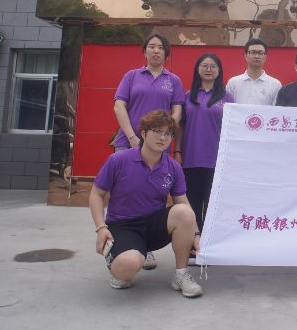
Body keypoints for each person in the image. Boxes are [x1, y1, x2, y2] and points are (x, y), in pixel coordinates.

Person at [89, 110, 203, 297]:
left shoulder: (173, 167)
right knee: (128, 266)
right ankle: (118, 260)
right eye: (157, 131)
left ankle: (181, 275)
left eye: (168, 134)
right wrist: (101, 228)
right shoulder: (119, 160)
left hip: (154, 224)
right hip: (124, 225)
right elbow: (96, 194)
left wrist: (196, 234)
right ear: (143, 133)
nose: (163, 138)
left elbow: (183, 201)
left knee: (184, 212)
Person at [112, 33, 185, 270]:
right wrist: (133, 138)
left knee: (154, 193)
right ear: (144, 51)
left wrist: (165, 134)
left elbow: (177, 111)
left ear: (166, 53)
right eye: (151, 47)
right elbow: (119, 106)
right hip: (129, 143)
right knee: (126, 193)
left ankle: (147, 245)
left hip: (158, 146)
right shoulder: (132, 76)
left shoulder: (173, 80)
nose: (156, 51)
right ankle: (121, 242)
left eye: (160, 47)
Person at [175, 53, 234, 255]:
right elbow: (180, 127)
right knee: (192, 204)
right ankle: (193, 247)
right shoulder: (187, 96)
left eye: (213, 66)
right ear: (197, 69)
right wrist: (177, 150)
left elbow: (232, 130)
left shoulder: (227, 98)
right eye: (204, 65)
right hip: (190, 158)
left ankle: (210, 247)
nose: (208, 69)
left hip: (216, 160)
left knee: (212, 206)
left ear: (219, 71)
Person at [226, 38, 282, 105]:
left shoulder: (275, 85)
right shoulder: (233, 83)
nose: (256, 56)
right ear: (246, 56)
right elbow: (228, 108)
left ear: (265, 57)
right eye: (253, 52)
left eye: (260, 53)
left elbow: (277, 110)